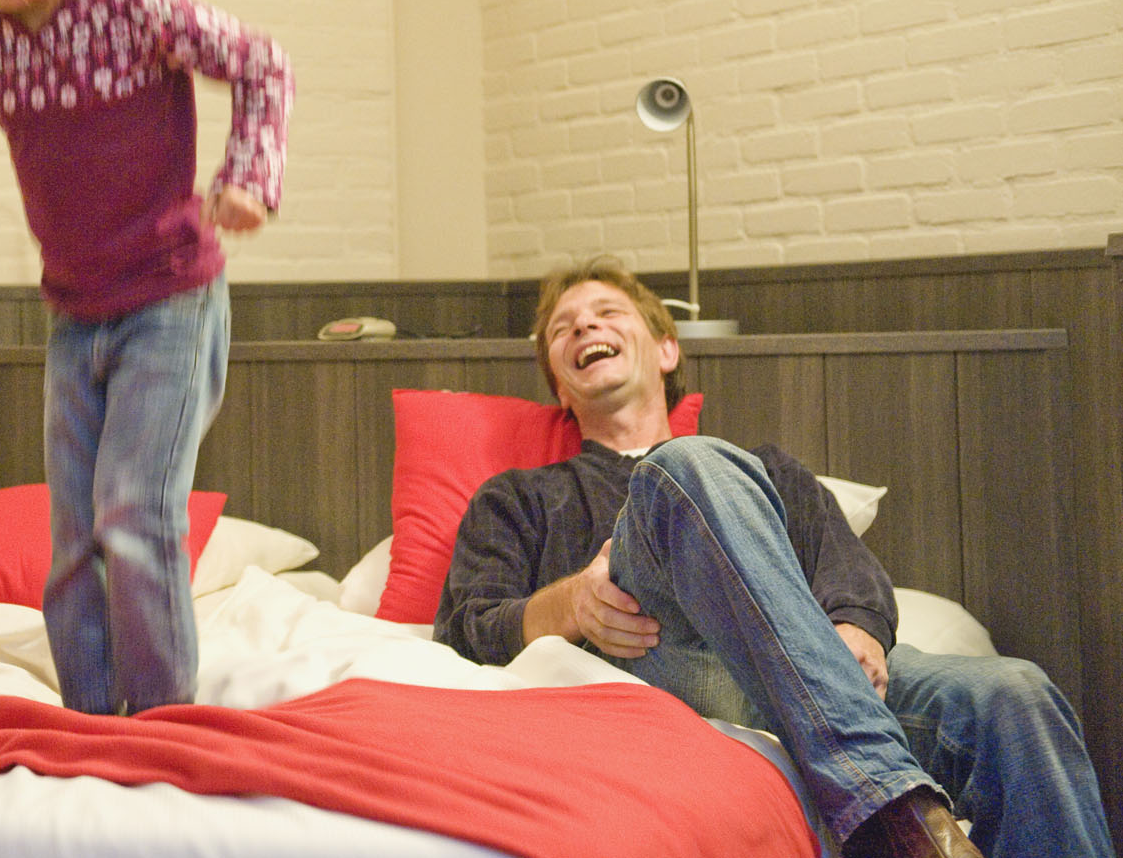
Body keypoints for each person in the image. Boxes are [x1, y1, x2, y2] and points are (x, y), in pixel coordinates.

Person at [435, 256, 1111, 858]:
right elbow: (464, 627)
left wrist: (855, 630)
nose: (584, 327)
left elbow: (851, 573)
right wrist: (570, 603)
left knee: (1014, 692)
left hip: (819, 669)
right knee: (683, 467)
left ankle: (881, 800)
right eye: (563, 328)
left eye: (606, 313)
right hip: (668, 668)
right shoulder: (519, 498)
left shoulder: (768, 472)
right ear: (559, 385)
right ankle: (892, 814)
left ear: (668, 350)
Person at [0, 0, 293, 716]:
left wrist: (248, 175)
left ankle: (166, 717)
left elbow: (262, 65)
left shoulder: (138, 7)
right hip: (71, 313)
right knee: (76, 534)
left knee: (135, 513)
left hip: (169, 299)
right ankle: (93, 722)